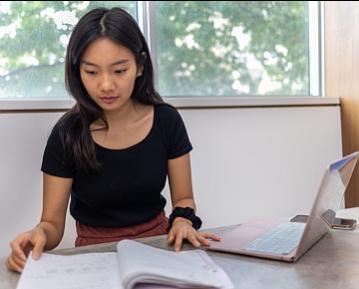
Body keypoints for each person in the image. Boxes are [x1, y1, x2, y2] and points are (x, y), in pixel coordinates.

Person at [6, 7, 220, 273]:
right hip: (93, 255)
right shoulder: (67, 133)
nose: (106, 85)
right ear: (77, 71)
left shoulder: (167, 121)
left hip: (158, 248)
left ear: (140, 66)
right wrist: (38, 234)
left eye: (119, 71)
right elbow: (51, 224)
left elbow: (184, 198)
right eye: (92, 72)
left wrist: (182, 222)